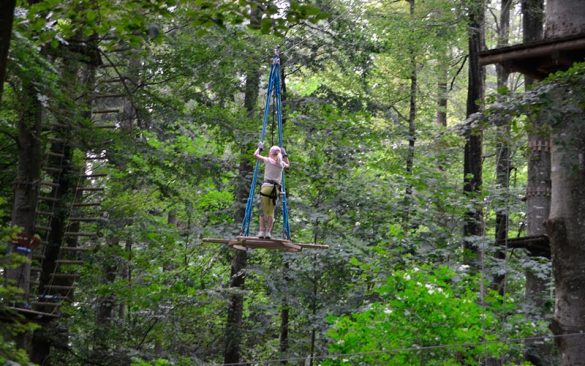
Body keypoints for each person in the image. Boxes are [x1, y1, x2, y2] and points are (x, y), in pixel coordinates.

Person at [254, 142, 289, 239]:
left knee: (263, 210)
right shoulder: (281, 164)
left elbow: (256, 155)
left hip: (266, 187)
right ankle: (268, 232)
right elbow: (288, 164)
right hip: (275, 189)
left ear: (270, 153)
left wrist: (260, 148)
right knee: (270, 211)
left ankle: (261, 231)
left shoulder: (268, 160)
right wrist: (285, 154)